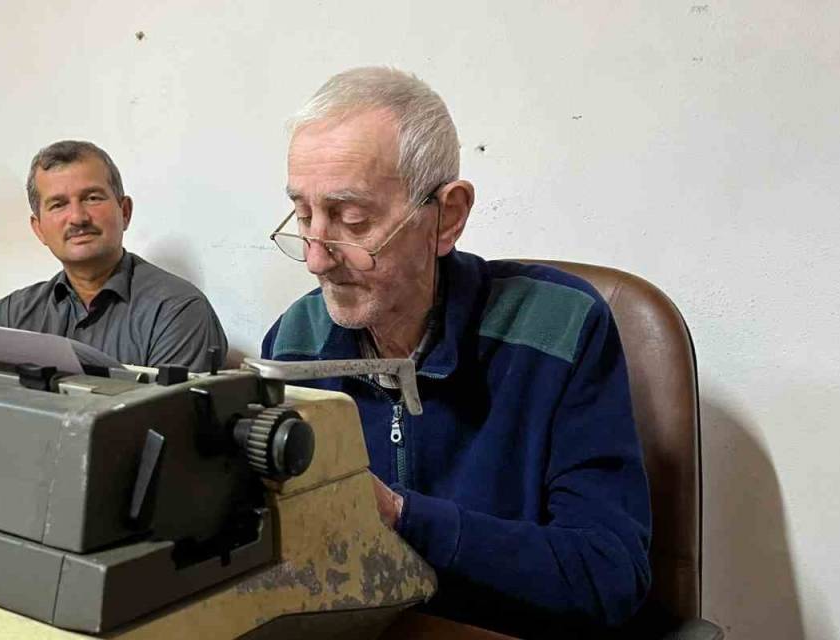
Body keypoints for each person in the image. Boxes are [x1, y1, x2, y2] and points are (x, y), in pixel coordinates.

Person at [260, 67, 652, 637]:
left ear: (448, 216)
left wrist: (402, 516)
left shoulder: (560, 327)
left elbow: (609, 576)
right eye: (303, 214)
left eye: (351, 220)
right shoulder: (295, 338)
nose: (317, 258)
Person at [0, 140, 228, 372]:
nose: (78, 217)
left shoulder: (177, 311)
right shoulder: (12, 316)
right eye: (58, 204)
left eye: (92, 198)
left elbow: (165, 419)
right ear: (39, 229)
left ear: (124, 212)